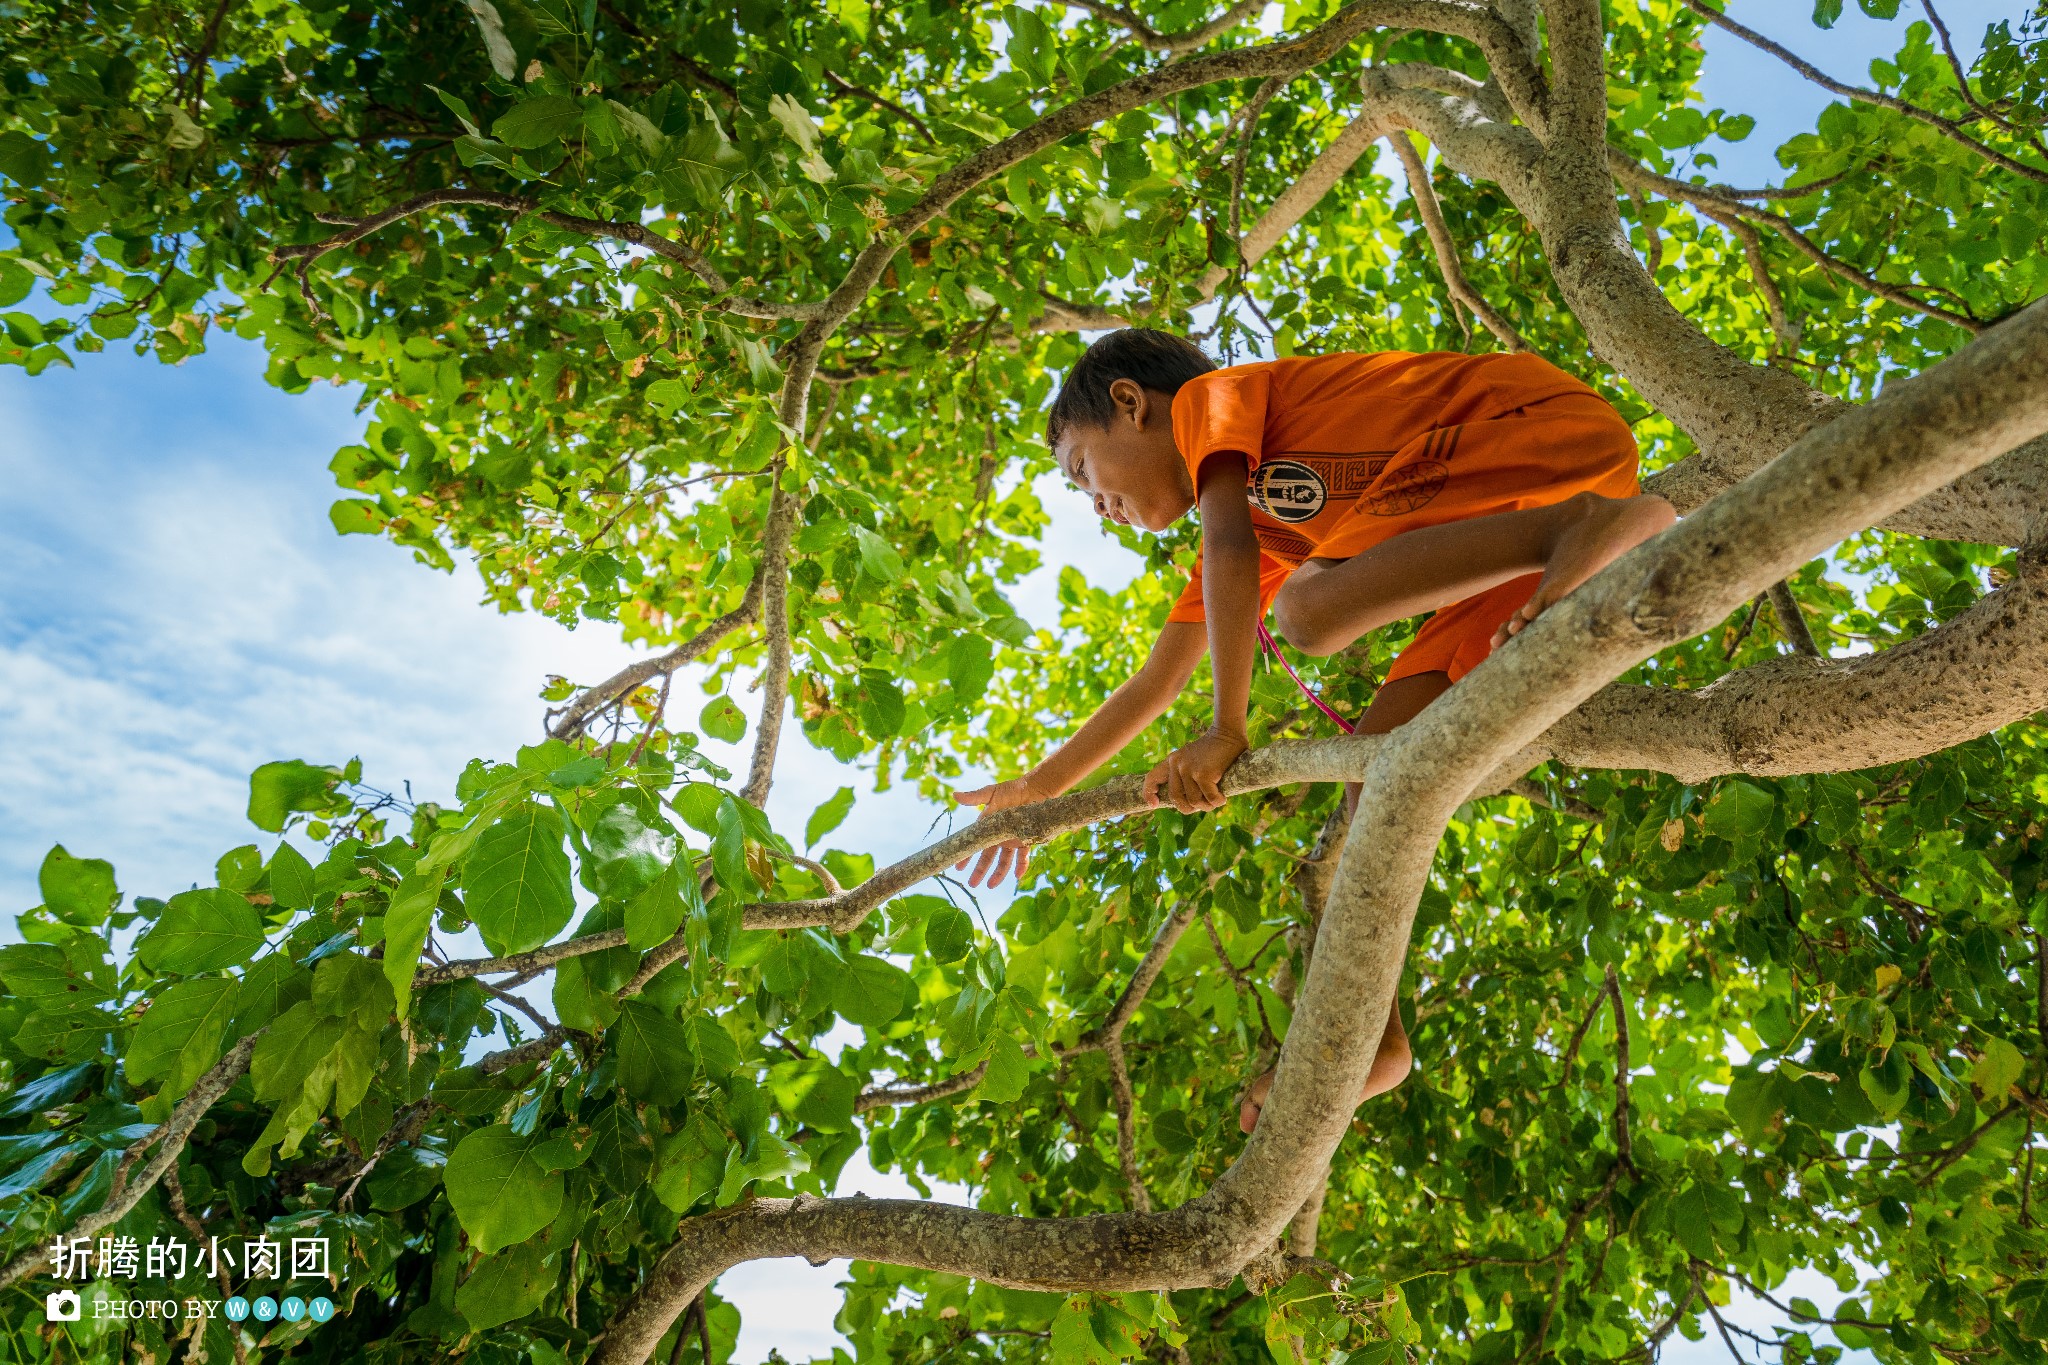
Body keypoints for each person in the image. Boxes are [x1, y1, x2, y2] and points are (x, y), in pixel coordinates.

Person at [952, 329, 1674, 1131]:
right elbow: (1160, 677)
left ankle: (1577, 525)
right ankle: (1382, 1043)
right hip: (1517, 523)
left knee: (1305, 611)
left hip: (1530, 431)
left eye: (1083, 469)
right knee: (1384, 772)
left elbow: (1227, 545)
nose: (1095, 504)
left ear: (1130, 403)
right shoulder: (1266, 528)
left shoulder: (1209, 403)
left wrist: (1228, 729)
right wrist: (1041, 789)